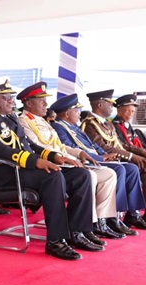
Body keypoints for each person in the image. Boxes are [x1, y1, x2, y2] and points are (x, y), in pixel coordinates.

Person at [0, 78, 95, 260]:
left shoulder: (10, 118)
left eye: (11, 96)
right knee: (53, 177)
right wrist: (35, 161)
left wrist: (54, 156)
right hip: (5, 174)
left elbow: (29, 145)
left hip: (24, 168)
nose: (11, 100)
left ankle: (77, 232)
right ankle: (56, 241)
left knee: (80, 175)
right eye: (6, 97)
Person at [17, 82, 119, 246]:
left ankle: (95, 224)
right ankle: (80, 229)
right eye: (41, 100)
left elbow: (59, 145)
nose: (45, 104)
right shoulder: (24, 122)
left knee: (107, 174)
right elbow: (38, 148)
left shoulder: (43, 121)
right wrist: (62, 157)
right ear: (29, 103)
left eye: (45, 100)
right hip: (49, 163)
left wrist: (79, 153)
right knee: (87, 175)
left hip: (62, 160)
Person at [49, 94, 146, 233]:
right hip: (82, 162)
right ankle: (108, 218)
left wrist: (103, 156)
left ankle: (131, 214)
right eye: (76, 110)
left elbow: (93, 145)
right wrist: (99, 158)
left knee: (131, 169)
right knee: (119, 169)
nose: (79, 113)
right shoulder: (59, 127)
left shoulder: (74, 127)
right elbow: (69, 147)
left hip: (93, 159)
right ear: (67, 113)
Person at [81, 89, 146, 227]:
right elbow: (103, 147)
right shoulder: (89, 124)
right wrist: (132, 157)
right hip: (108, 159)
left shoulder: (107, 124)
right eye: (109, 104)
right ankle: (145, 213)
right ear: (100, 105)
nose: (112, 107)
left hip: (119, 157)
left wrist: (145, 153)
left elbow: (122, 145)